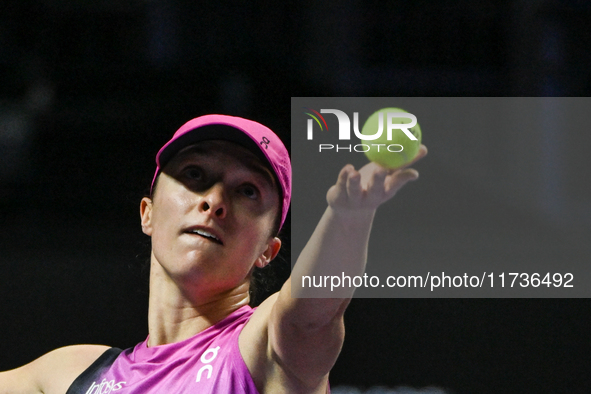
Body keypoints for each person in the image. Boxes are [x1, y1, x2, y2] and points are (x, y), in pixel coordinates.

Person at [0, 114, 427, 394]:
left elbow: (313, 312)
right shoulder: (72, 374)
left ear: (268, 250)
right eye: (194, 175)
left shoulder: (265, 348)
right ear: (147, 213)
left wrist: (348, 217)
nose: (214, 201)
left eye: (246, 190)